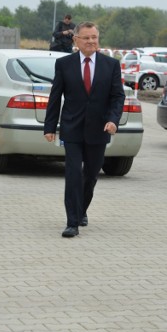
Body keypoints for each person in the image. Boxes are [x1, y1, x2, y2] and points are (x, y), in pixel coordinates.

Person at [44, 21, 125, 237]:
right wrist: (49, 126)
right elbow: (55, 96)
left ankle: (81, 210)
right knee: (72, 174)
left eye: (94, 37)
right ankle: (72, 222)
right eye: (86, 38)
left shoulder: (111, 65)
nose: (91, 41)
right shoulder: (64, 64)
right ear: (76, 40)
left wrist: (113, 120)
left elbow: (118, 96)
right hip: (72, 128)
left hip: (99, 129)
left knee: (90, 175)